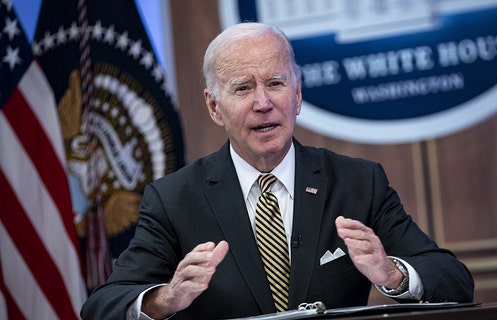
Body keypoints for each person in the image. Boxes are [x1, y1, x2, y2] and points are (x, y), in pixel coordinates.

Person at [80, 22, 474, 319]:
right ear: (214, 106)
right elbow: (100, 307)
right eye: (242, 88)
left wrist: (392, 274)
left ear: (298, 95)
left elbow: (454, 280)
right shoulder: (173, 199)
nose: (264, 103)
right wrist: (166, 297)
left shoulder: (358, 182)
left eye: (275, 83)